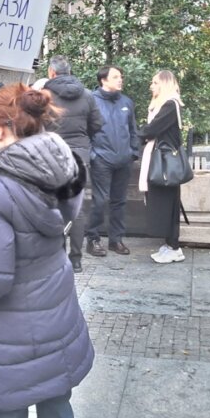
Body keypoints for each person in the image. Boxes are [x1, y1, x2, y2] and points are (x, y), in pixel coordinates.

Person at [0, 83, 93, 418]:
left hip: (12, 334)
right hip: (57, 314)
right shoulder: (65, 167)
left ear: (1, 127)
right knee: (58, 414)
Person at [44, 55, 103, 272]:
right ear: (69, 71)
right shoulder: (87, 95)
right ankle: (76, 259)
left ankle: (57, 257)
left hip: (53, 157)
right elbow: (97, 124)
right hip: (80, 159)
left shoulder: (45, 96)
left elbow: (35, 126)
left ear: (52, 72)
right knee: (77, 210)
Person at [86, 65, 139, 256]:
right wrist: (93, 155)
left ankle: (116, 241)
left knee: (119, 202)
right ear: (104, 80)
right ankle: (93, 240)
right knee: (100, 201)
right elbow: (85, 132)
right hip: (101, 160)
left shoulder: (126, 102)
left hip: (124, 160)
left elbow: (133, 129)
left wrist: (133, 152)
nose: (120, 79)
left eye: (121, 76)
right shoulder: (91, 101)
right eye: (116, 76)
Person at [138, 70, 186, 264]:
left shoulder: (169, 105)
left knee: (169, 203)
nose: (152, 86)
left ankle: (174, 247)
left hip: (165, 162)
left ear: (164, 84)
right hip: (164, 160)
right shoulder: (166, 105)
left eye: (155, 82)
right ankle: (170, 245)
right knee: (168, 202)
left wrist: (133, 137)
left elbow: (152, 129)